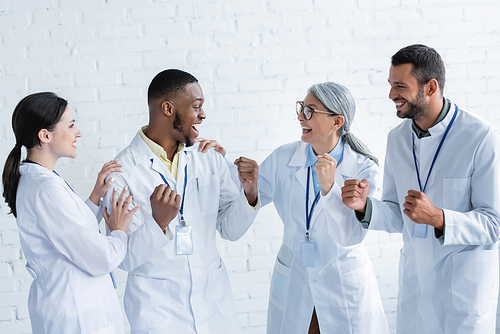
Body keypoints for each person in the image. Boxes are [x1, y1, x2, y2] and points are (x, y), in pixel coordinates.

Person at [339, 44, 500, 333]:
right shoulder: (398, 139)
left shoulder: (481, 137)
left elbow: (494, 223)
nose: (391, 95)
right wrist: (365, 206)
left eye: (400, 86)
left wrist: (438, 217)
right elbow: (396, 213)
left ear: (430, 87)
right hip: (416, 290)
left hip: (463, 294)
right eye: (390, 85)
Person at [101, 69, 260, 333]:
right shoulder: (122, 173)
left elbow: (230, 230)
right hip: (160, 313)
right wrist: (158, 223)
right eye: (196, 107)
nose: (203, 115)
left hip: (214, 306)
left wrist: (250, 194)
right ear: (167, 108)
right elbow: (124, 260)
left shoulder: (208, 155)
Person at [255, 82, 389, 333]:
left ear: (337, 122)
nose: (300, 117)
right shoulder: (283, 158)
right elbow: (247, 198)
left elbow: (351, 235)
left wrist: (330, 188)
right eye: (301, 108)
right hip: (295, 276)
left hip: (342, 281)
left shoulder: (364, 169)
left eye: (309, 111)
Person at [1, 92, 139, 334]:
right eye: (72, 125)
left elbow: (66, 233)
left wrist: (95, 199)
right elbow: (101, 258)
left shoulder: (40, 180)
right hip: (76, 317)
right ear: (45, 135)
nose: (78, 132)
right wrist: (119, 232)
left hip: (74, 311)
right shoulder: (45, 189)